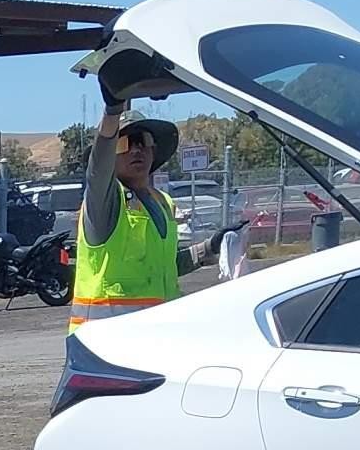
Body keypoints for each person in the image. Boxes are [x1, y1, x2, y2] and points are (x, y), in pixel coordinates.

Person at [70, 101, 241, 333]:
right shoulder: (104, 201)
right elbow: (98, 168)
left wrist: (209, 247)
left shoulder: (162, 202)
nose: (136, 149)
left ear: (153, 151)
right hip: (105, 341)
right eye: (124, 143)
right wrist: (112, 112)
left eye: (144, 142)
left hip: (154, 335)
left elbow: (163, 266)